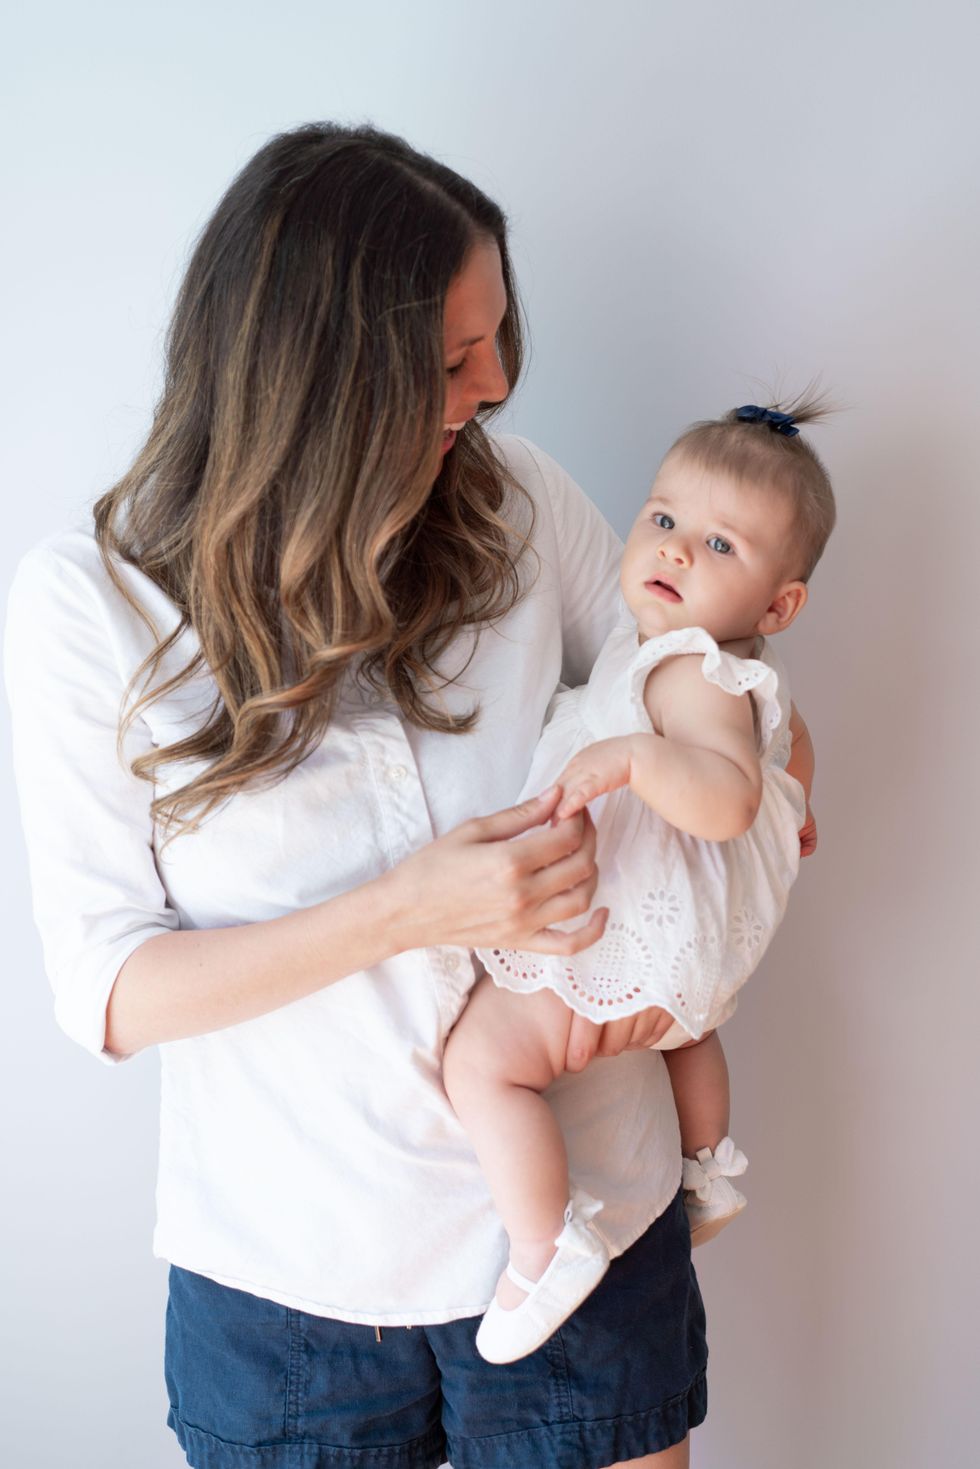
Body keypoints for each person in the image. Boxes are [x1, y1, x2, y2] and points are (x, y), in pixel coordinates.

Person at [4, 123, 711, 1469]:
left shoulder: (515, 507)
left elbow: (683, 691)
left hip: (587, 1224)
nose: (494, 388)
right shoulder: (94, 606)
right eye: (450, 362)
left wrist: (757, 772)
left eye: (496, 340)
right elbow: (109, 991)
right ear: (318, 381)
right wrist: (407, 909)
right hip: (291, 1282)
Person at [444, 399, 833, 1364]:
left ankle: (545, 1245)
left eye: (720, 544)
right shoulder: (724, 663)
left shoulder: (690, 669)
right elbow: (791, 747)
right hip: (683, 959)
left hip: (623, 934)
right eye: (663, 518)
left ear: (777, 606)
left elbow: (729, 798)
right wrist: (800, 800)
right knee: (687, 1037)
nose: (676, 549)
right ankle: (705, 1167)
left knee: (484, 1062)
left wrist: (631, 758)